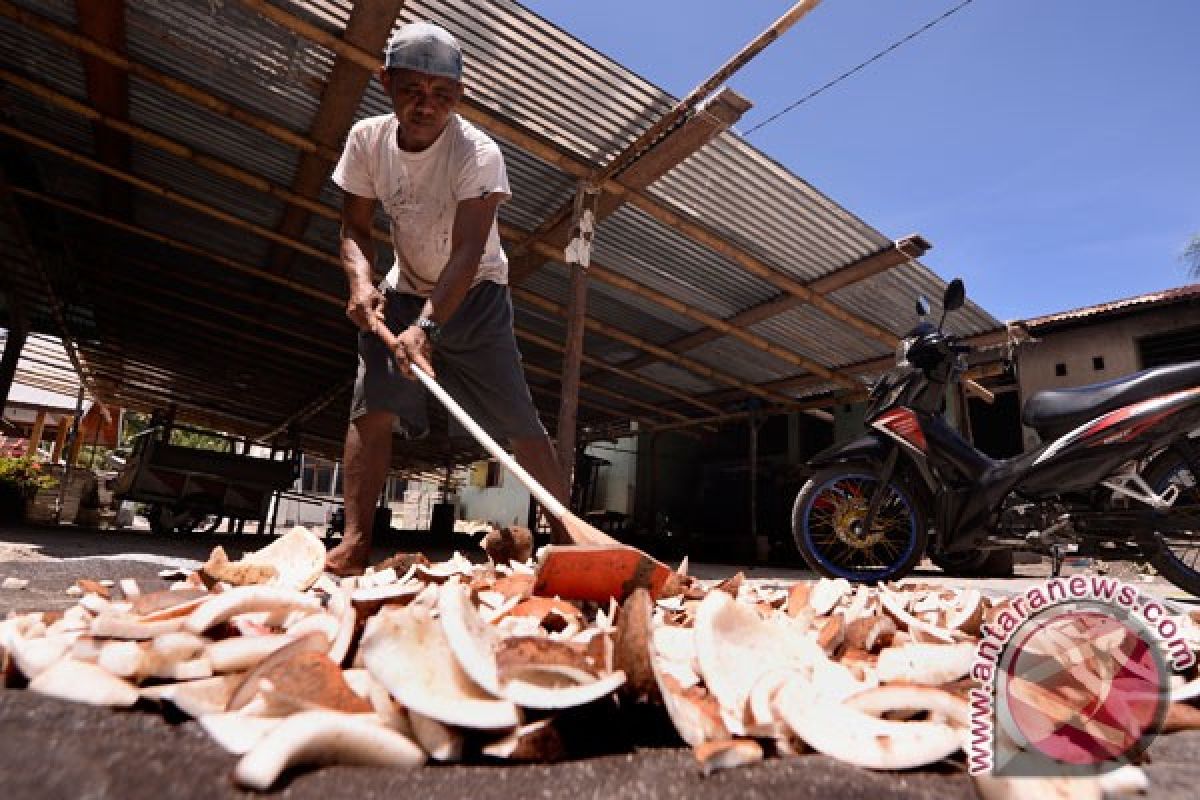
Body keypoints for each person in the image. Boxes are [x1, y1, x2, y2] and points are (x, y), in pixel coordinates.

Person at [324, 21, 569, 576]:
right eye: (412, 91)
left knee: (518, 418)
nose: (425, 106)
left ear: (458, 97)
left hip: (476, 292)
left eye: (441, 95)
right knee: (372, 406)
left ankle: (570, 539)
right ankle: (356, 542)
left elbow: (465, 254)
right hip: (403, 288)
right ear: (385, 82)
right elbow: (353, 227)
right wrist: (362, 284)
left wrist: (428, 329)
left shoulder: (477, 153)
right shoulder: (367, 140)